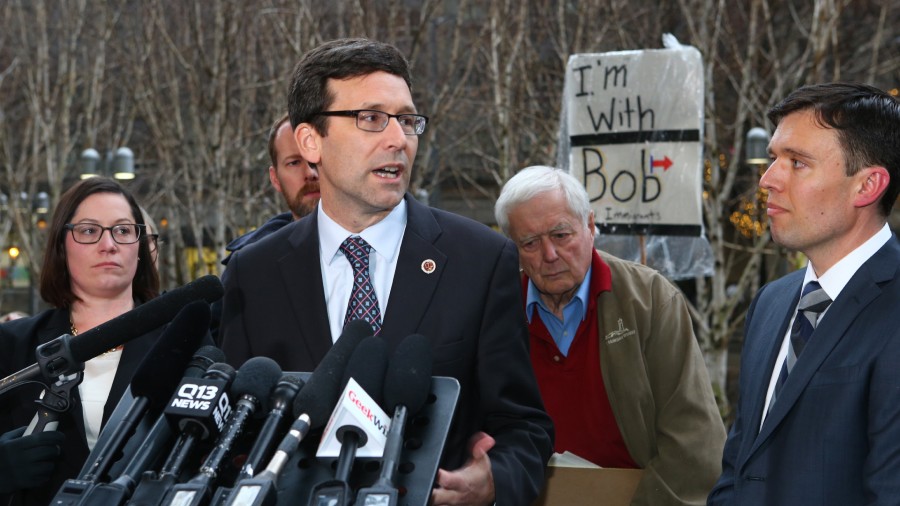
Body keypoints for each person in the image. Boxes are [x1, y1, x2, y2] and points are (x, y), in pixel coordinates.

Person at [219, 38, 553, 505]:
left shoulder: (481, 259)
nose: (399, 139)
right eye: (372, 118)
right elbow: (233, 433)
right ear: (310, 141)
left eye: (407, 120)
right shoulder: (252, 274)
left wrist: (495, 480)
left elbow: (525, 428)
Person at [707, 82, 900, 504]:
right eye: (775, 157)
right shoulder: (771, 303)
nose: (767, 179)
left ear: (867, 186)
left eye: (797, 163)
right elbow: (739, 470)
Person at [495, 165, 726, 505]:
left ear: (590, 226)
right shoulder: (497, 312)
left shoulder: (649, 300)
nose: (549, 255)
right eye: (529, 242)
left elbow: (693, 442)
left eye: (561, 235)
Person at [0, 177, 161, 505]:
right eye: (88, 231)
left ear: (141, 247)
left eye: (123, 230)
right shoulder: (13, 344)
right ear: (61, 246)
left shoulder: (182, 340)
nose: (109, 244)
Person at [221, 113, 320, 266]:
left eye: (317, 156)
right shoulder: (251, 269)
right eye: (294, 163)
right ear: (275, 179)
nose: (310, 173)